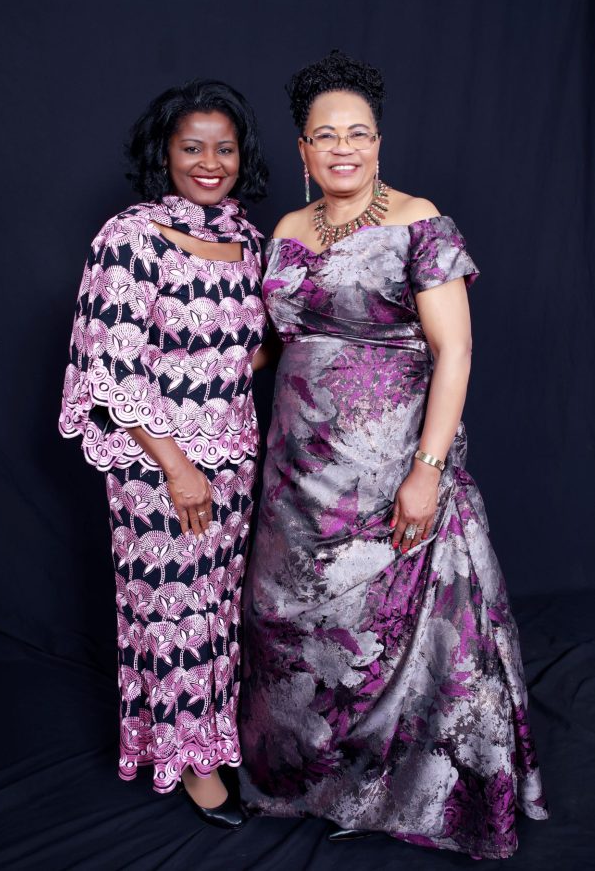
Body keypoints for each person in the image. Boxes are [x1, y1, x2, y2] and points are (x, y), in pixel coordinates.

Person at [239, 51, 548, 858]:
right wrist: (194, 374)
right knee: (293, 629)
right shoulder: (287, 230)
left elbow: (455, 351)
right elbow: (277, 341)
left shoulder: (419, 222)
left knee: (382, 629)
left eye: (358, 133)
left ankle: (389, 794)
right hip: (294, 473)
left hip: (387, 470)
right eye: (325, 135)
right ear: (302, 149)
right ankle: (312, 783)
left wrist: (426, 470)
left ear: (378, 142)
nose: (342, 147)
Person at [59, 80, 268, 829]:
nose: (210, 163)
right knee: (170, 611)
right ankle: (192, 763)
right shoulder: (130, 236)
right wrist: (177, 466)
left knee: (217, 607)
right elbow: (109, 370)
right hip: (157, 465)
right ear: (164, 154)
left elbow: (253, 342)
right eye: (192, 148)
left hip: (233, 456)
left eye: (224, 148)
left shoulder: (247, 238)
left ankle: (214, 736)